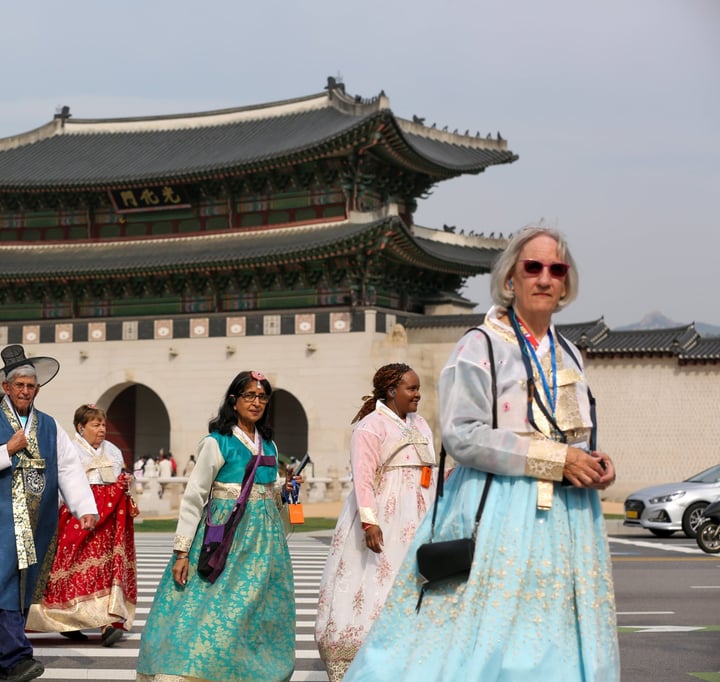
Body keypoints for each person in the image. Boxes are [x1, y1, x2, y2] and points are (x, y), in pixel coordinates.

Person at [344, 225, 619, 681]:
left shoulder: (570, 353)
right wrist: (554, 459)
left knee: (559, 636)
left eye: (556, 269)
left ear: (566, 283)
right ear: (510, 278)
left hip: (569, 517)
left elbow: (572, 435)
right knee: (491, 641)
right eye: (533, 267)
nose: (544, 278)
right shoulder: (480, 347)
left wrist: (592, 462)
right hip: (501, 512)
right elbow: (462, 436)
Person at [136, 370, 298, 682]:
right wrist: (182, 550)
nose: (256, 402)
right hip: (226, 534)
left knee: (256, 609)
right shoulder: (216, 442)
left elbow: (268, 492)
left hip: (264, 542)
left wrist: (285, 487)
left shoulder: (269, 445)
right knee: (214, 607)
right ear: (234, 401)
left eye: (262, 397)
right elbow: (194, 495)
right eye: (249, 396)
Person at [0, 345, 98, 682]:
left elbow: (67, 469)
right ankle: (18, 657)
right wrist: (5, 450)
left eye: (30, 386)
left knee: (22, 588)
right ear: (6, 388)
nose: (24, 391)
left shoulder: (49, 425)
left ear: (37, 389)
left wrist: (84, 507)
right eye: (19, 385)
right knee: (0, 583)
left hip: (37, 521)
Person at [314, 363, 437, 680]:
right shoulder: (370, 427)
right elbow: (363, 480)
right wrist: (370, 523)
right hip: (385, 515)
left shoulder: (421, 423)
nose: (417, 394)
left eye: (418, 388)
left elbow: (430, 472)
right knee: (375, 582)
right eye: (411, 388)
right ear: (391, 391)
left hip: (419, 514)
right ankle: (363, 660)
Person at [26, 404, 137, 646]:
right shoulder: (70, 450)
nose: (101, 430)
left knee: (106, 570)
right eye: (96, 425)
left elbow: (121, 480)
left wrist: (126, 483)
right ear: (80, 427)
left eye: (103, 425)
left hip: (107, 525)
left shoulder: (114, 451)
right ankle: (68, 620)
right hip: (76, 520)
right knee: (71, 570)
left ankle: (108, 623)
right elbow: (59, 485)